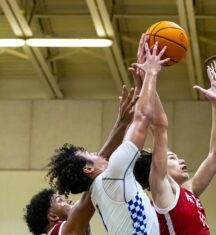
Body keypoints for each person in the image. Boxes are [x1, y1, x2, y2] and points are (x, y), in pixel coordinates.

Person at [46, 40, 169, 234]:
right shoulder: (114, 174)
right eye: (89, 153)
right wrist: (151, 73)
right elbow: (142, 118)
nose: (97, 153)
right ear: (88, 168)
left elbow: (138, 119)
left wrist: (141, 87)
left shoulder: (98, 192)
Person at [24, 86, 137, 235]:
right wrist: (122, 123)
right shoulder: (61, 231)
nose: (69, 201)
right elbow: (87, 195)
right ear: (52, 216)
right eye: (59, 200)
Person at [133, 62, 216, 234]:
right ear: (156, 167)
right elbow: (158, 127)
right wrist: (149, 78)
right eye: (172, 158)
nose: (182, 160)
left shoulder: (188, 191)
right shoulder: (162, 192)